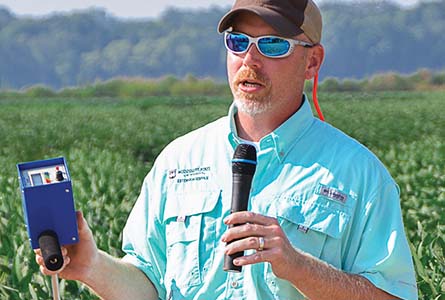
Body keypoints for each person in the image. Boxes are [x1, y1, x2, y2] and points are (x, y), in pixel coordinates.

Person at [35, 0, 418, 299]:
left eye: (272, 44)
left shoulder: (359, 174)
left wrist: (299, 267)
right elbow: (148, 286)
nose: (250, 60)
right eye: (238, 42)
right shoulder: (178, 160)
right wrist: (92, 267)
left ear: (312, 61)